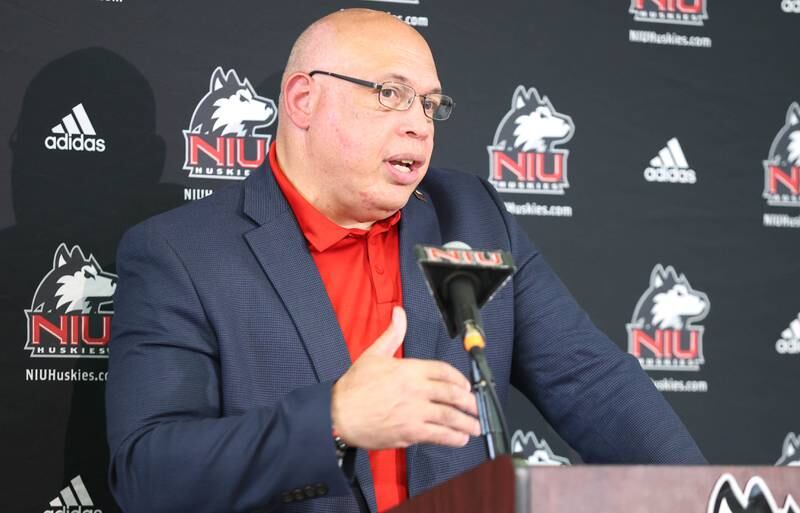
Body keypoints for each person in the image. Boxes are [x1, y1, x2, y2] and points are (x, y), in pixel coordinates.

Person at [106, 8, 705, 513]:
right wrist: (334, 419)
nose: (419, 126)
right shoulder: (181, 253)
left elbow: (590, 381)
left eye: (431, 106)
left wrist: (703, 498)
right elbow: (148, 473)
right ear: (303, 99)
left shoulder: (469, 215)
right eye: (390, 95)